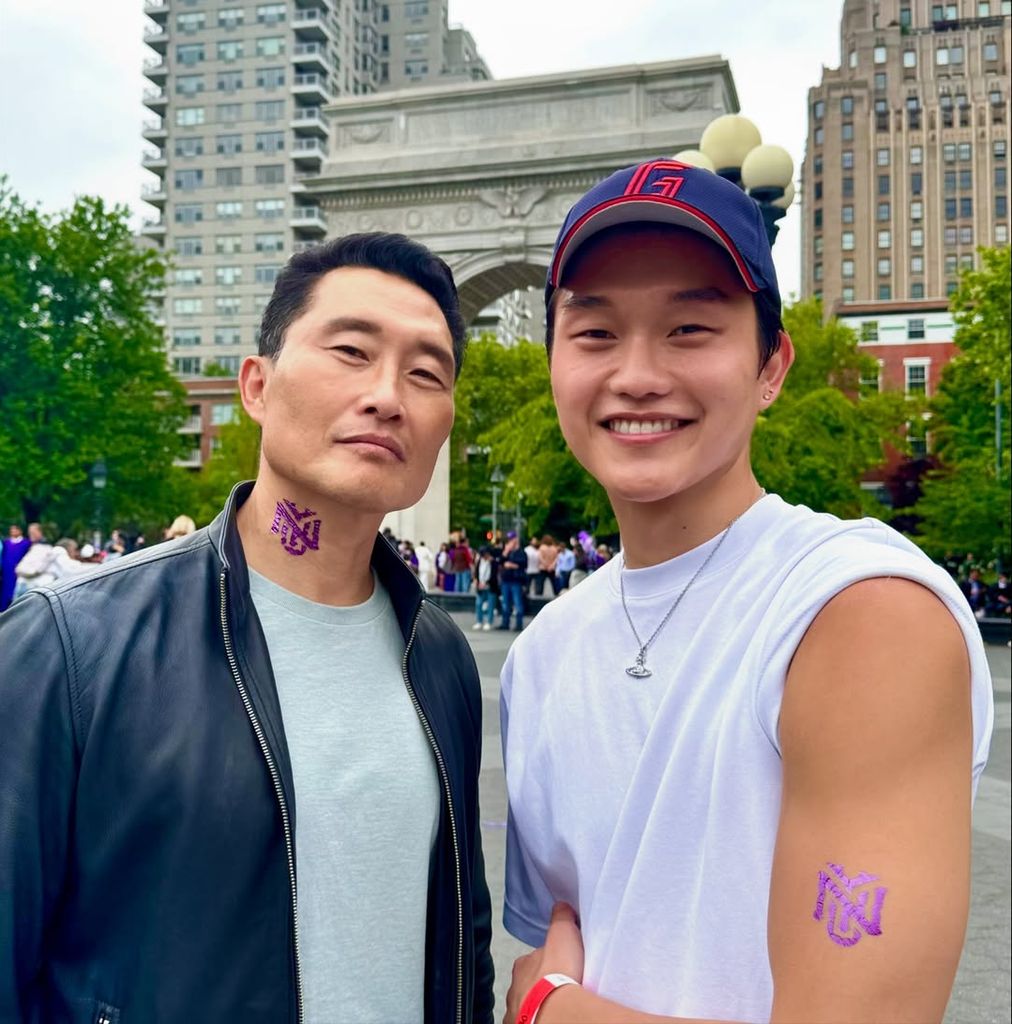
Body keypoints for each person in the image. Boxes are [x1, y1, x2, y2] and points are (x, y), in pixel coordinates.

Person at [499, 161, 993, 1024]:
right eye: (595, 333)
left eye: (690, 328)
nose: (638, 375)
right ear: (552, 363)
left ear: (771, 366)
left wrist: (549, 1012)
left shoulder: (860, 612)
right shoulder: (541, 652)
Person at [0, 233, 494, 1024]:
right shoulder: (67, 649)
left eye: (426, 372)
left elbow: (462, 942)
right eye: (351, 351)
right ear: (257, 386)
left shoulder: (440, 657)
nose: (387, 395)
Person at [498, 532, 527, 632]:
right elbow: (500, 561)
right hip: (506, 580)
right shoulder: (507, 552)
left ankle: (519, 624)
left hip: (516, 580)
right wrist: (506, 551)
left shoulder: (521, 552)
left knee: (517, 602)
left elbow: (523, 564)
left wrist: (511, 565)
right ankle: (505, 623)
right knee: (505, 603)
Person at [0, 525, 31, 611]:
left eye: (15, 529)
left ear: (20, 530)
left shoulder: (26, 543)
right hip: (6, 572)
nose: (12, 531)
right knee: (5, 592)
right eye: (11, 529)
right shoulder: (6, 543)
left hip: (18, 571)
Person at [472, 547, 496, 631]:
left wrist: (486, 583)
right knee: (478, 603)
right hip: (480, 585)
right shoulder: (479, 561)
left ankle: (489, 622)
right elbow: (477, 572)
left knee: (490, 604)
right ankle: (479, 621)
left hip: (490, 586)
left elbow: (494, 575)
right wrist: (477, 581)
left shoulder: (493, 562)